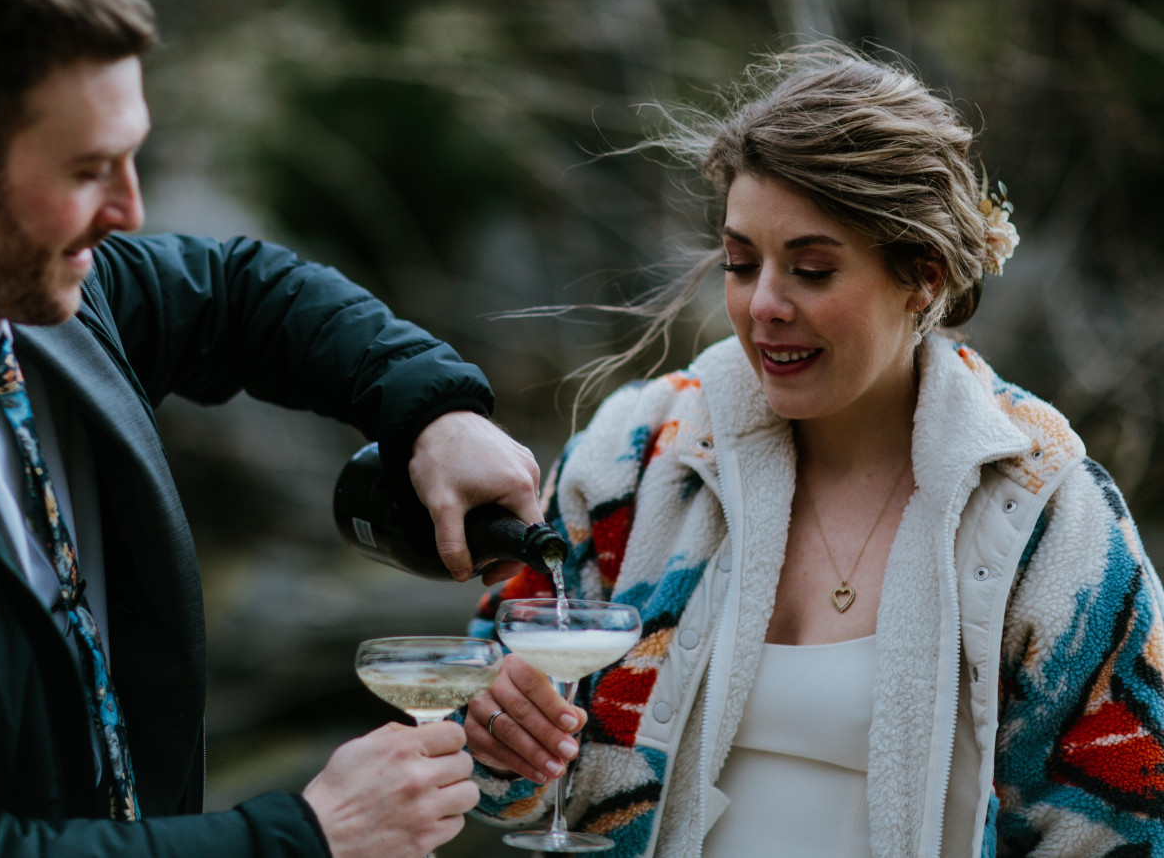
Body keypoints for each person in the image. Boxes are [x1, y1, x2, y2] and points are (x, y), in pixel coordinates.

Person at [0, 0, 543, 857]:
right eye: (90, 171)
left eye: (132, 157)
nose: (130, 210)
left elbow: (238, 292)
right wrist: (305, 834)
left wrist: (432, 406)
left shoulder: (23, 269)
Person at [459, 44, 1164, 856]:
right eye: (740, 262)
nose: (763, 305)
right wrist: (500, 745)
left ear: (922, 277)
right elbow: (489, 732)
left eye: (813, 270)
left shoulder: (1044, 507)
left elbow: (1122, 820)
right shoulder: (637, 458)